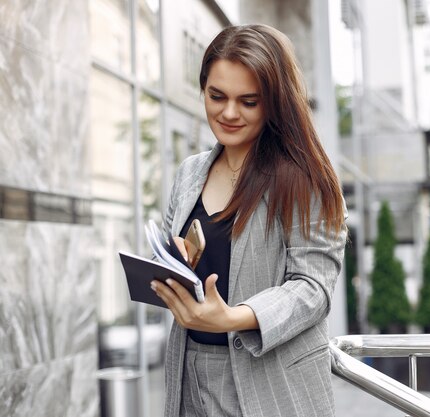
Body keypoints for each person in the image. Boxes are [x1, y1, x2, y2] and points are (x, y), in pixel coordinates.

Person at [150, 24, 348, 417]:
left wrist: (234, 318)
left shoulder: (302, 178)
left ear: (275, 102)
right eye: (216, 96)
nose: (228, 113)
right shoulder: (191, 172)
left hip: (271, 384)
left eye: (248, 101)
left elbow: (313, 287)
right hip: (189, 374)